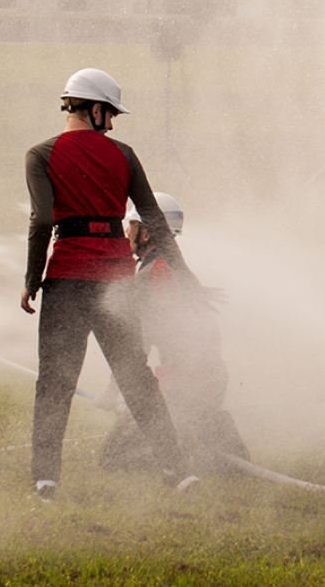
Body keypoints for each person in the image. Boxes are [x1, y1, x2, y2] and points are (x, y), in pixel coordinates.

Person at [22, 68, 198, 500]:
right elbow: (153, 218)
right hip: (116, 280)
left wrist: (32, 279)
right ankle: (175, 470)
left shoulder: (40, 155)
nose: (113, 123)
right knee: (136, 379)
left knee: (54, 382)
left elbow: (43, 220)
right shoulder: (124, 154)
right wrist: (184, 273)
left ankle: (46, 480)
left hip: (65, 280)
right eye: (110, 113)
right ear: (95, 109)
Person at [99, 192, 251, 475]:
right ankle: (207, 426)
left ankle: (197, 431)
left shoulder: (153, 274)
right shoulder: (171, 270)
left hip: (184, 384)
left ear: (145, 234)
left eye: (131, 224)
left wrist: (112, 391)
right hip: (205, 378)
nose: (125, 231)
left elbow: (138, 342)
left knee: (114, 459)